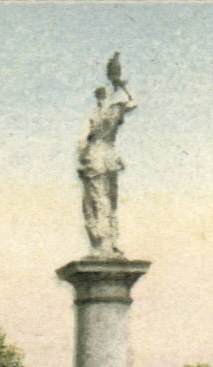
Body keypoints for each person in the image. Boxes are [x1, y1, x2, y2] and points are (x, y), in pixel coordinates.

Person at [77, 75, 138, 256]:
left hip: (95, 158)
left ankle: (102, 244)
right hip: (108, 158)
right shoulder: (114, 111)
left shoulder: (96, 115)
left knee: (97, 200)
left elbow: (82, 141)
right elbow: (133, 102)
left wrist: (82, 159)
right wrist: (122, 86)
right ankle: (108, 242)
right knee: (108, 201)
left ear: (98, 98)